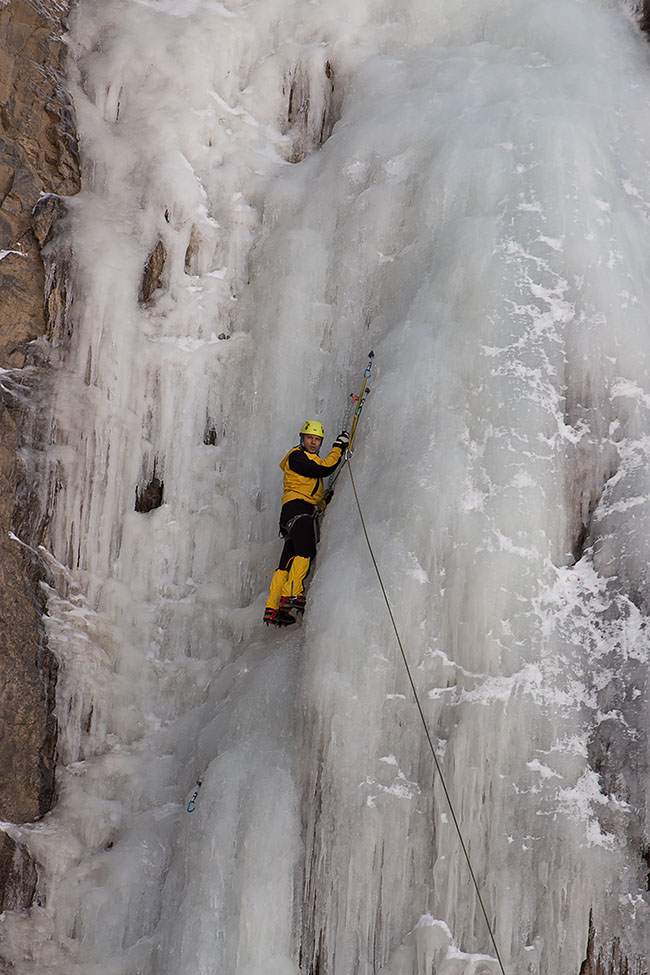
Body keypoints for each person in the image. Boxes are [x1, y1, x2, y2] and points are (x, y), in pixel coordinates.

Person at [264, 420, 349, 626]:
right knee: (306, 551)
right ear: (302, 438)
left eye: (317, 439)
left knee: (287, 560)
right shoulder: (297, 456)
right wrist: (338, 446)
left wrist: (323, 502)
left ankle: (273, 607)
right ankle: (292, 593)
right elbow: (325, 468)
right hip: (297, 510)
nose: (313, 442)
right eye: (310, 438)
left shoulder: (308, 460)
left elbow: (312, 487)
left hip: (294, 512)